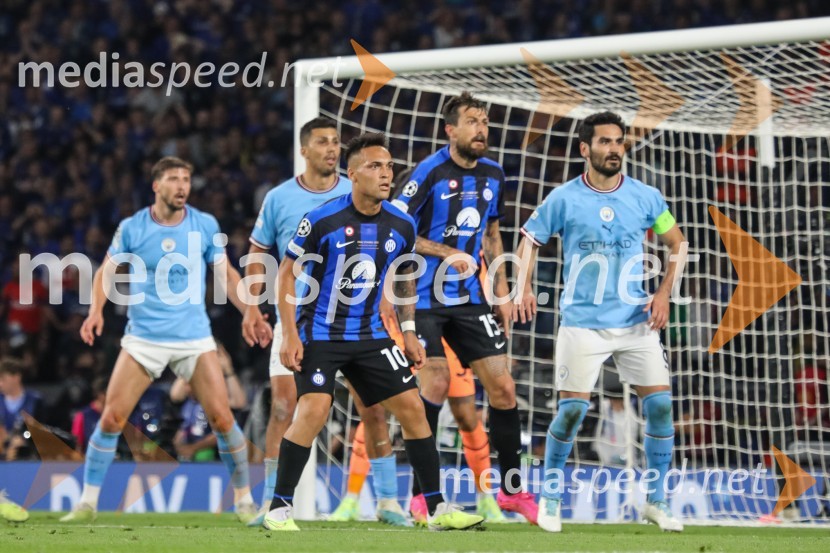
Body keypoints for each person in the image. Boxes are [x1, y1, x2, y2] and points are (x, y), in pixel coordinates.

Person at [261, 133, 483, 532]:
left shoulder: (401, 223)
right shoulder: (323, 220)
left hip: (371, 337)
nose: (387, 174)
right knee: (312, 411)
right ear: (353, 174)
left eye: (389, 166)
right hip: (322, 336)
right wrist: (291, 334)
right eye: (375, 166)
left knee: (415, 411)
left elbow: (404, 280)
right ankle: (279, 507)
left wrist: (410, 332)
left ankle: (435, 508)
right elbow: (287, 275)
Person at [60, 156, 272, 523]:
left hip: (193, 338)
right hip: (143, 339)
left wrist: (250, 311)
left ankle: (243, 501)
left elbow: (225, 274)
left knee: (222, 417)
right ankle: (87, 503)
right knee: (111, 418)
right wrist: (96, 310)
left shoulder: (205, 224)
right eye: (174, 179)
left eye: (187, 179)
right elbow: (105, 273)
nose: (182, 186)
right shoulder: (132, 227)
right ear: (156, 185)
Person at [512, 111, 687, 533]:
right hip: (582, 323)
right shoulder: (564, 199)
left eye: (619, 141)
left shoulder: (646, 196)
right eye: (605, 142)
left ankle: (657, 502)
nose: (614, 149)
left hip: (635, 320)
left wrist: (663, 293)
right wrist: (522, 287)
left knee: (661, 406)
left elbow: (677, 243)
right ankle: (551, 498)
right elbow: (528, 241)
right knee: (572, 411)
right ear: (584, 148)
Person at [241, 117, 408, 526]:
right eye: (322, 142)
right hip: (300, 317)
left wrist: (388, 302)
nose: (331, 148)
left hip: (360, 319)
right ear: (304, 150)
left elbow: (388, 253)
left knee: (374, 409)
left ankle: (387, 502)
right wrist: (251, 307)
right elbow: (262, 255)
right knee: (284, 407)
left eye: (336, 142)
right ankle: (273, 503)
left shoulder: (363, 190)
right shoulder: (280, 198)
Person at [388, 92, 537, 524]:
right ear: (450, 129)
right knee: (434, 383)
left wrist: (503, 290)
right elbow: (396, 231)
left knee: (504, 389)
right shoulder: (428, 173)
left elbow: (492, 235)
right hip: (427, 298)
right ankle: (421, 497)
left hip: (470, 299)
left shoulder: (493, 174)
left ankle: (512, 491)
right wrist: (446, 251)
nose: (481, 129)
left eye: (485, 121)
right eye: (472, 121)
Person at [0, 357, 43, 459]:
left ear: (16, 377)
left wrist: (24, 439)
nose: (0, 384)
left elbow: (43, 431)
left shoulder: (35, 401)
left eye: (3, 379)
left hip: (30, 456)